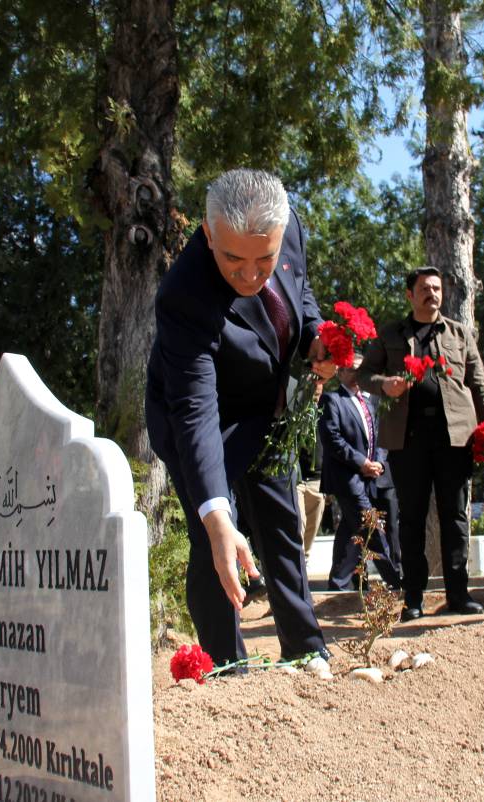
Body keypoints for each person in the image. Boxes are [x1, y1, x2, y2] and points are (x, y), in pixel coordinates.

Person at [145, 168, 334, 667]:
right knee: (218, 535)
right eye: (233, 259)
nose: (251, 276)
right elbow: (195, 408)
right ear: (208, 234)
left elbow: (300, 293)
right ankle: (225, 666)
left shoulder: (288, 226)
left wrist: (316, 334)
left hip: (266, 408)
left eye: (265, 259)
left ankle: (306, 650)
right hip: (200, 418)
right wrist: (216, 512)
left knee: (282, 524)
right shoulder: (183, 296)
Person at [359, 267, 484, 620]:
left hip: (455, 438)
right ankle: (414, 599)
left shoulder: (460, 333)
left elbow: (478, 384)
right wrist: (384, 382)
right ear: (410, 294)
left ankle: (459, 594)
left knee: (455, 516)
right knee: (411, 520)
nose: (431, 294)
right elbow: (362, 374)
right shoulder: (391, 333)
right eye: (424, 288)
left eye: (436, 288)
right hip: (408, 440)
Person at [318, 354, 401, 591]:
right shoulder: (331, 400)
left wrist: (379, 463)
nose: (357, 374)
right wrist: (361, 462)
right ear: (340, 373)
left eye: (360, 369)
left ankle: (339, 583)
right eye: (351, 369)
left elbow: (383, 434)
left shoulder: (373, 400)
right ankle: (395, 580)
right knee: (369, 525)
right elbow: (332, 438)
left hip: (375, 475)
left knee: (350, 528)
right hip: (348, 478)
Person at [296, 379, 328, 561]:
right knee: (298, 523)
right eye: (311, 383)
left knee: (313, 524)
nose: (316, 387)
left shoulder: (326, 409)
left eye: (318, 383)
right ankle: (297, 562)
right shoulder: (293, 409)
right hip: (297, 479)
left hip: (317, 479)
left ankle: (304, 560)